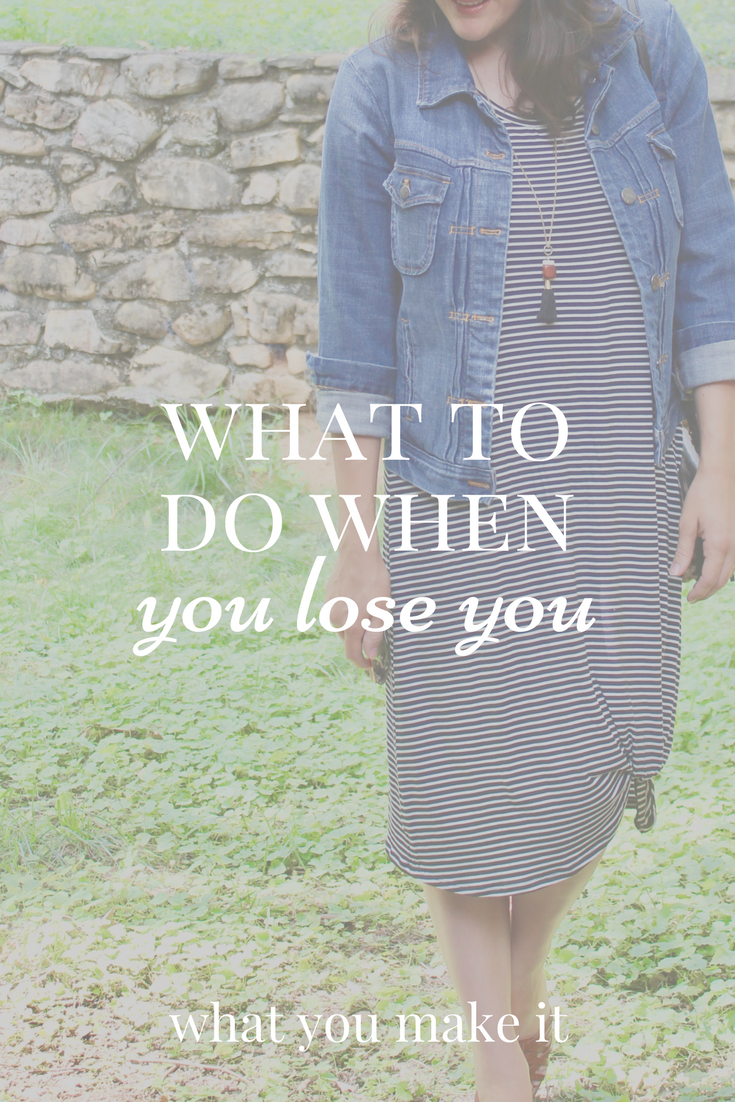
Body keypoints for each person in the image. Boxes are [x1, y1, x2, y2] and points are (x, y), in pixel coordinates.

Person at [306, 1, 735, 1098]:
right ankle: (502, 1066)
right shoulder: (381, 91)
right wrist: (359, 550)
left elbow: (710, 274)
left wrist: (722, 465)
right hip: (452, 493)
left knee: (618, 743)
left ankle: (523, 969)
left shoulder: (646, 47)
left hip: (618, 477)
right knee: (458, 787)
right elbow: (354, 354)